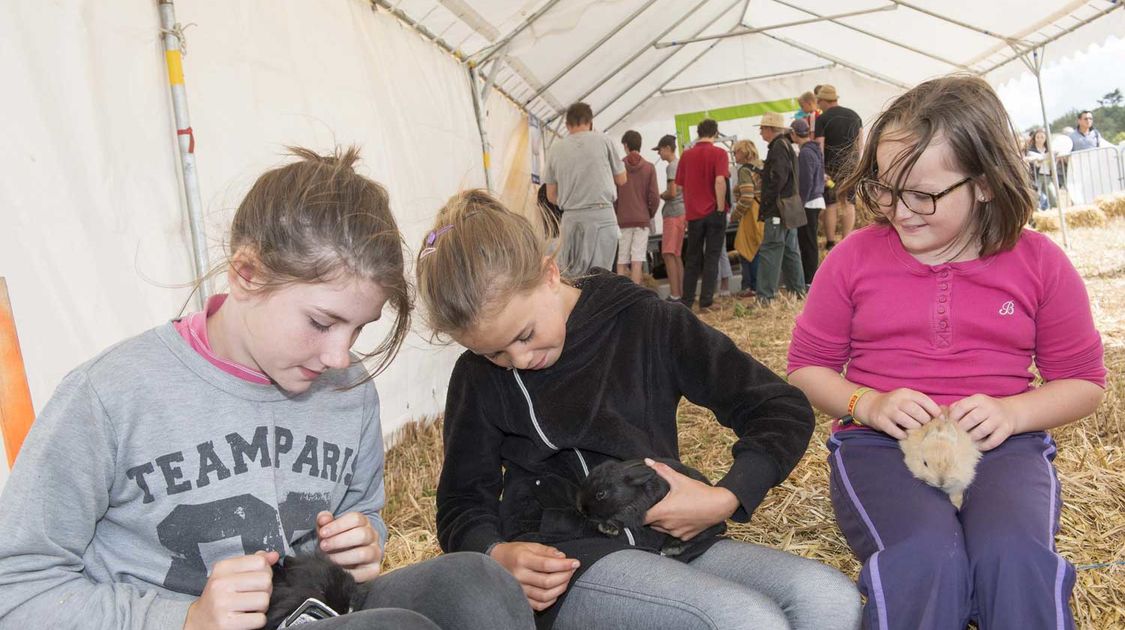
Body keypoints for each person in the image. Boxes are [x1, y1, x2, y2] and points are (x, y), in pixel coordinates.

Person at [0, 147, 534, 630]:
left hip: (308, 611)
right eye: (322, 323)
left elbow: (363, 512)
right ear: (247, 274)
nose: (339, 357)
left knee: (478, 586)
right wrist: (184, 618)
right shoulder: (110, 396)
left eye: (359, 328)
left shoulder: (348, 393)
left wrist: (362, 542)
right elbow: (17, 588)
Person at [415, 189, 862, 630]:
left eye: (525, 335)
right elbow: (460, 503)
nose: (518, 360)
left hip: (674, 541)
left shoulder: (645, 320)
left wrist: (725, 497)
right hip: (570, 561)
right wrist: (496, 554)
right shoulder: (476, 378)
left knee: (827, 599)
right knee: (742, 620)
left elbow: (779, 406)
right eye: (494, 354)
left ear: (549, 274)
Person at [787, 76, 1106, 630]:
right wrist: (868, 403)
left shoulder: (1038, 263)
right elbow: (806, 368)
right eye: (885, 189)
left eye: (923, 194)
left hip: (1004, 447)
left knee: (1015, 557)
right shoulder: (853, 258)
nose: (900, 210)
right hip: (879, 447)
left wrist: (1014, 413)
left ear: (983, 184)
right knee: (923, 556)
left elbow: (1083, 382)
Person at [544, 102, 627, 276]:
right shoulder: (604, 140)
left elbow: (551, 196)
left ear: (567, 125)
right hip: (602, 216)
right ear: (591, 123)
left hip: (572, 220)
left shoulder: (555, 148)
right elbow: (622, 179)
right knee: (603, 278)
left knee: (574, 278)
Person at [676, 118, 730, 312]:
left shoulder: (686, 155)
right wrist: (720, 206)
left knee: (692, 258)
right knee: (712, 256)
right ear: (715, 133)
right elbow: (719, 181)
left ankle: (687, 300)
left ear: (698, 133)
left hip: (694, 213)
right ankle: (706, 300)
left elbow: (680, 185)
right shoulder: (719, 153)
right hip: (714, 210)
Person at [756, 111, 805, 302]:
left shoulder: (777, 147)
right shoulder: (786, 145)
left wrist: (767, 200)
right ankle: (797, 291)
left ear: (770, 129)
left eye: (762, 128)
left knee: (771, 249)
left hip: (778, 208)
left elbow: (778, 178)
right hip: (790, 207)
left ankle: (765, 296)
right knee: (790, 251)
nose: (761, 133)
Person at [814, 85, 863, 249]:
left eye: (818, 102)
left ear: (822, 101)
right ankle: (847, 240)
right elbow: (860, 144)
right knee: (849, 203)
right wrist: (858, 165)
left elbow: (819, 147)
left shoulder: (822, 119)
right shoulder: (854, 115)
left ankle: (830, 242)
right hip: (851, 167)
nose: (818, 105)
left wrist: (820, 171)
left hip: (830, 169)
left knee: (831, 204)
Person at [613, 130, 659, 285]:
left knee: (622, 258)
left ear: (625, 145)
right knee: (637, 259)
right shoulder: (649, 168)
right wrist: (649, 213)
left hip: (623, 219)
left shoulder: (618, 167)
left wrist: (617, 213)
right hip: (642, 220)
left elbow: (614, 195)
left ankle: (620, 295)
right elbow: (654, 197)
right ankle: (636, 296)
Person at [791, 118, 825, 289]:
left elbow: (806, 181)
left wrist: (799, 203)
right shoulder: (814, 150)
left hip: (809, 202)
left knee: (808, 242)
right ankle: (812, 277)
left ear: (794, 134)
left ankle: (810, 279)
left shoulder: (805, 153)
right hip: (816, 199)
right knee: (809, 241)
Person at [730, 139, 764, 298]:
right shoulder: (762, 165)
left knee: (747, 249)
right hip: (764, 210)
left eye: (735, 152)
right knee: (758, 249)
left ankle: (751, 286)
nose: (734, 155)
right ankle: (757, 285)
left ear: (743, 153)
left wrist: (735, 214)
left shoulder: (744, 170)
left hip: (751, 213)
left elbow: (747, 196)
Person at [654, 134, 686, 302]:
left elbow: (672, 192)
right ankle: (681, 291)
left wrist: (661, 195)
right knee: (676, 254)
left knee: (668, 254)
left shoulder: (671, 167)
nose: (659, 154)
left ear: (667, 148)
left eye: (659, 150)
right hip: (681, 213)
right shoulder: (680, 164)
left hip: (672, 213)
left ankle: (675, 294)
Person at [1025, 128, 1057, 209]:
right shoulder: (1031, 150)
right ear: (1034, 138)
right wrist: (1046, 156)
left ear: (1046, 138)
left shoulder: (1049, 149)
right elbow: (1038, 159)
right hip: (1036, 177)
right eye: (1038, 137)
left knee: (1053, 197)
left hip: (1047, 176)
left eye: (1042, 137)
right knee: (1037, 197)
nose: (1040, 139)